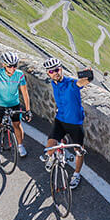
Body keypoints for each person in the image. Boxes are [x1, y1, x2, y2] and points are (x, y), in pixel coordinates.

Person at [41, 57, 91, 188]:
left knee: (79, 151)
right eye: (51, 72)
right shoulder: (53, 83)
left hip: (75, 122)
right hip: (60, 120)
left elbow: (82, 83)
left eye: (57, 69)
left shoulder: (71, 83)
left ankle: (76, 174)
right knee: (50, 145)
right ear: (48, 74)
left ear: (61, 69)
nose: (55, 73)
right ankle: (52, 158)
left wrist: (89, 76)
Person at [0, 51, 31, 157]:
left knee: (17, 125)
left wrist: (28, 110)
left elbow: (25, 93)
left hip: (14, 104)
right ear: (4, 65)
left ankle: (20, 146)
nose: (12, 69)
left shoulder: (19, 75)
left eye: (15, 66)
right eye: (9, 66)